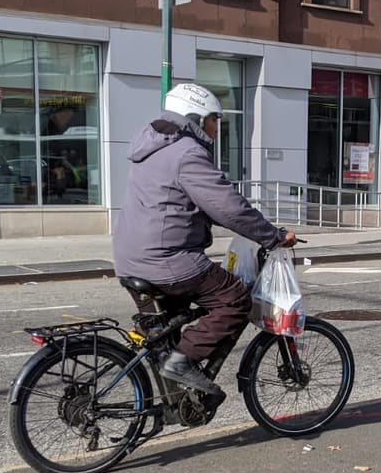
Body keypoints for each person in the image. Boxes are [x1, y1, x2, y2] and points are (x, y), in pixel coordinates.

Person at [112, 82, 295, 398]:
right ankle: (183, 362)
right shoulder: (187, 153)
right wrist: (273, 236)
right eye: (214, 119)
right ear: (195, 118)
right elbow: (228, 206)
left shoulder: (153, 147)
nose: (216, 127)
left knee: (167, 332)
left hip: (131, 258)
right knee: (235, 298)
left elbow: (197, 205)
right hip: (165, 260)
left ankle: (175, 402)